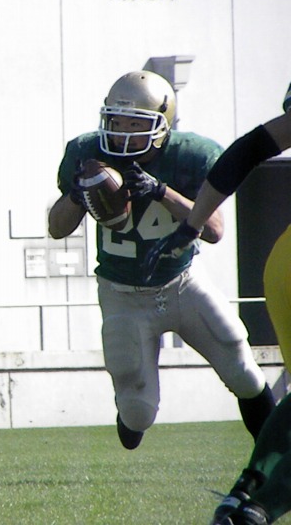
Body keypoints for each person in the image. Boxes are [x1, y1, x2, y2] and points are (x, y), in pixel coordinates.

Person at [47, 70, 275, 451]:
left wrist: (161, 191)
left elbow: (214, 230)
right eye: (117, 122)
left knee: (243, 369)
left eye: (135, 124)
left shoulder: (189, 156)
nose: (122, 133)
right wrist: (76, 195)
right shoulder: (88, 154)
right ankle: (130, 414)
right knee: (138, 413)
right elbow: (56, 228)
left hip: (182, 281)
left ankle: (274, 460)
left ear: (161, 125)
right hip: (123, 293)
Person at [144, 87, 291, 525]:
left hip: (284, 260)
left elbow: (248, 149)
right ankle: (259, 511)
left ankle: (242, 495)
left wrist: (191, 225)